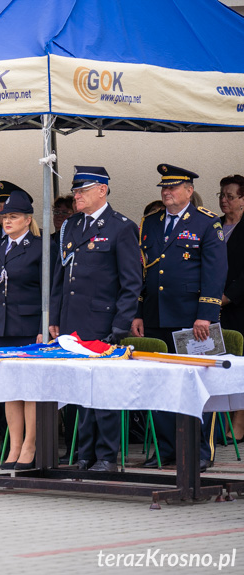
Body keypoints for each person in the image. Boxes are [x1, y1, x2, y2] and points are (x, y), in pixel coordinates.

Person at [132, 164, 227, 472]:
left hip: (193, 320)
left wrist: (207, 316)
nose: (167, 192)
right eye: (164, 188)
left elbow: (215, 272)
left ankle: (201, 451)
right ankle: (167, 449)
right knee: (159, 384)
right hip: (157, 315)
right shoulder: (151, 221)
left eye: (173, 187)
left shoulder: (206, 223)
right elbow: (144, 271)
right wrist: (138, 311)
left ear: (189, 191)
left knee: (199, 386)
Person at [50, 166, 142, 472]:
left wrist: (120, 325)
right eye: (75, 191)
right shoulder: (72, 225)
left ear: (101, 190)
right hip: (72, 322)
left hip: (102, 323)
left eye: (82, 190)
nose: (76, 196)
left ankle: (106, 457)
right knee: (78, 394)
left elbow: (131, 283)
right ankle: (84, 454)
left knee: (102, 394)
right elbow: (61, 275)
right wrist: (55, 315)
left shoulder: (120, 227)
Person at [0, 187, 45, 470]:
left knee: (30, 390)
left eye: (14, 217)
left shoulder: (41, 247)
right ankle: (14, 445)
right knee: (10, 390)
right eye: (4, 216)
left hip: (30, 327)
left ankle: (31, 445)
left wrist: (45, 327)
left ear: (28, 219)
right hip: (2, 326)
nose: (6, 221)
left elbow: (48, 293)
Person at [218, 174, 244, 441]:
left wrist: (228, 296)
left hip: (237, 307)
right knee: (219, 363)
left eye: (230, 196)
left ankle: (239, 421)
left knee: (239, 365)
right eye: (222, 195)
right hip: (212, 307)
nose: (224, 200)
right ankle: (219, 421)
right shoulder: (213, 226)